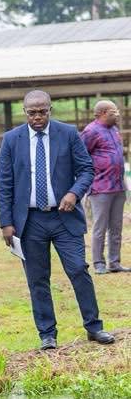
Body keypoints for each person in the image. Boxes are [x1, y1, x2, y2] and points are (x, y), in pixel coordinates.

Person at [0, 90, 116, 350]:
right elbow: (4, 184)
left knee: (78, 270)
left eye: (42, 112)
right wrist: (6, 223)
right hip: (29, 221)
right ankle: (47, 335)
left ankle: (94, 327)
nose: (37, 117)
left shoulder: (68, 133)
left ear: (50, 110)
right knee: (37, 279)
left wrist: (74, 193)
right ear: (24, 111)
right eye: (32, 112)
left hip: (64, 218)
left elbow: (87, 169)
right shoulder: (11, 140)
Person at [81, 100, 127, 274]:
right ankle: (99, 263)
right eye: (113, 112)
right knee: (100, 227)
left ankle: (114, 263)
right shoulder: (90, 131)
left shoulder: (114, 130)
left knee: (116, 227)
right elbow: (81, 156)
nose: (117, 114)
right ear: (102, 113)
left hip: (118, 186)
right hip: (100, 187)